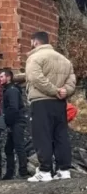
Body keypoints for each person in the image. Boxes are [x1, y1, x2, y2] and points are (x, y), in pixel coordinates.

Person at [25, 31, 76, 182]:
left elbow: (35, 78)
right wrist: (64, 91)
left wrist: (53, 90)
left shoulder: (34, 57)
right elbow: (72, 79)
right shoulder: (65, 60)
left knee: (42, 136)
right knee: (60, 135)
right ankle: (64, 170)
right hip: (60, 103)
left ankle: (45, 171)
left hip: (41, 102)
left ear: (35, 42)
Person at [0, 68, 28, 180]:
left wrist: (8, 122)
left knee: (18, 146)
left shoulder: (11, 90)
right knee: (8, 148)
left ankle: (23, 172)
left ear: (8, 77)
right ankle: (10, 173)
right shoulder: (8, 90)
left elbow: (13, 108)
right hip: (13, 122)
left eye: (1, 76)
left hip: (17, 122)